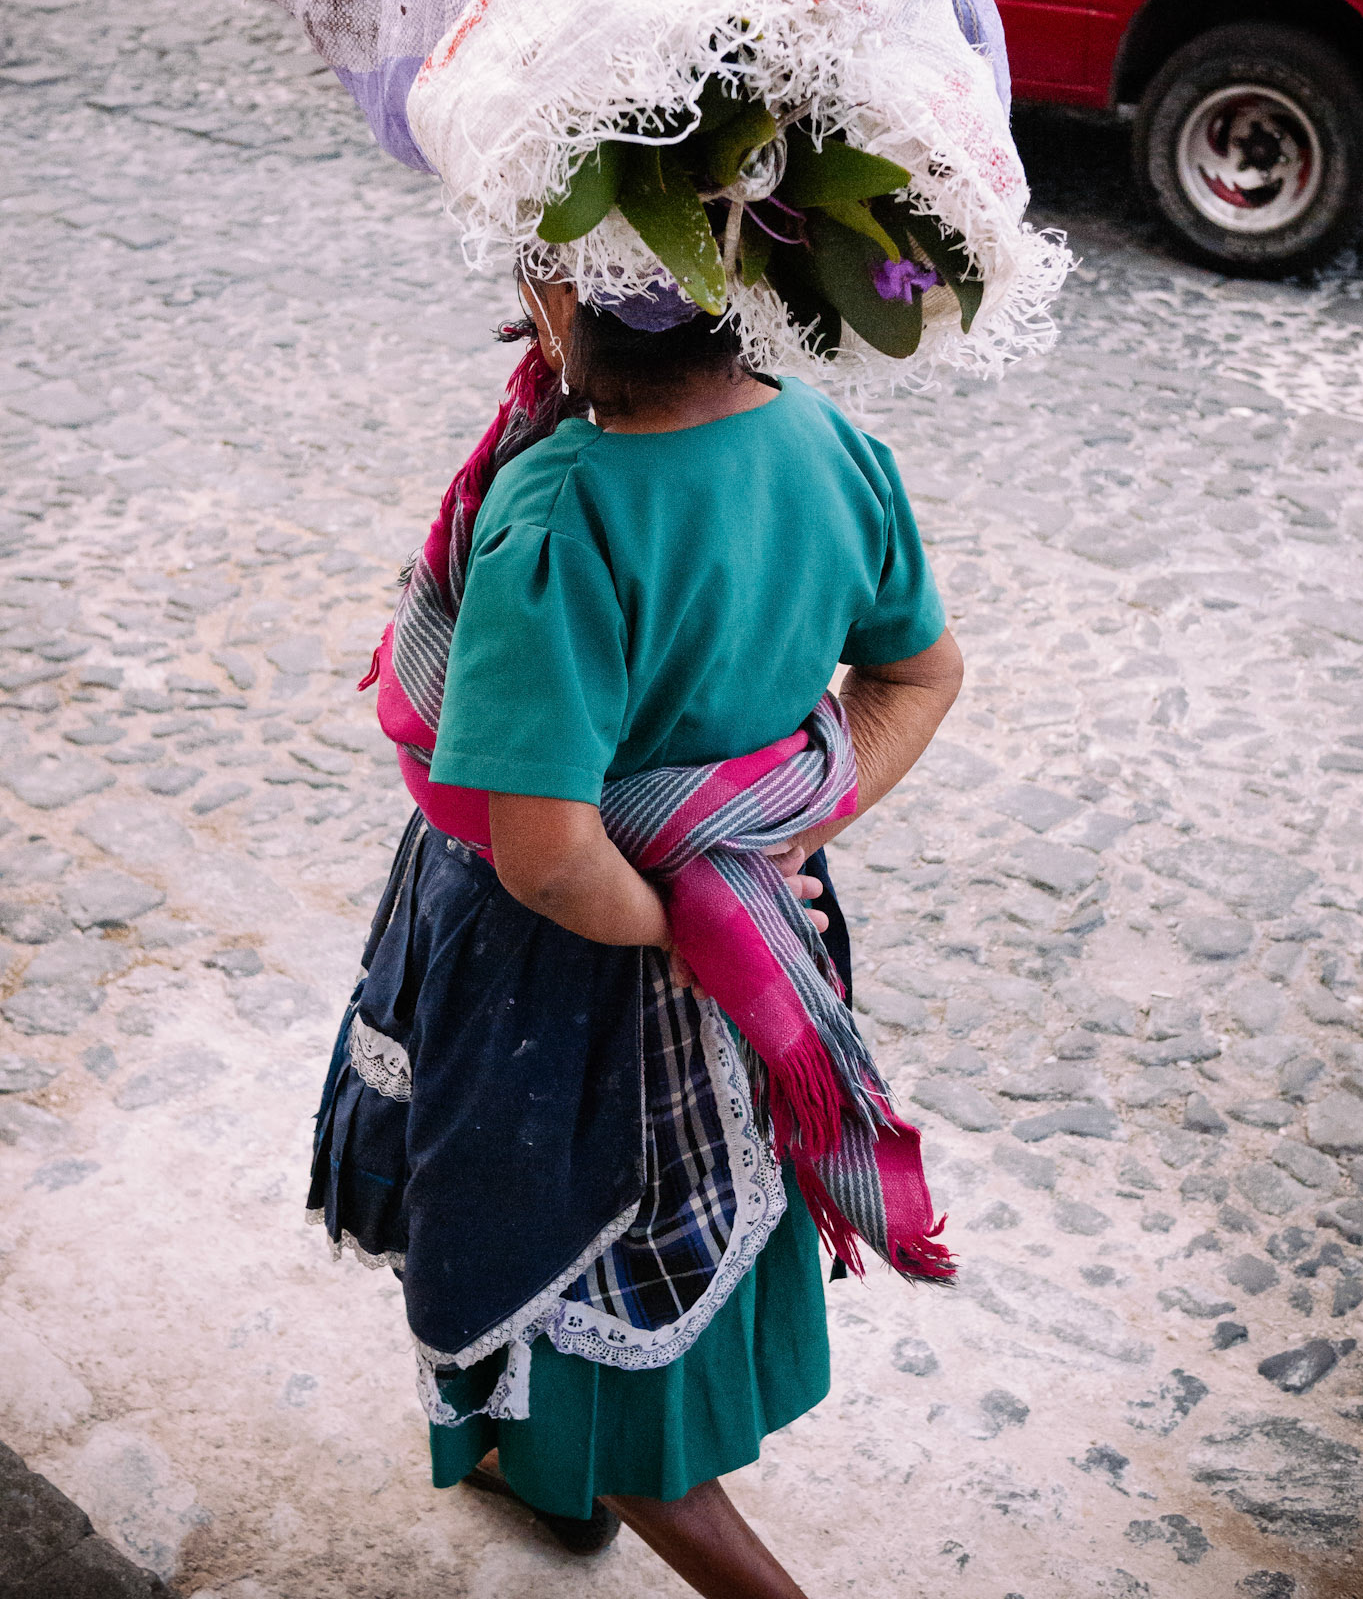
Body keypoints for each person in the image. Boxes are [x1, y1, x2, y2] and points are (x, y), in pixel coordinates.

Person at [321, 271, 960, 1599]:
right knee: (678, 1226)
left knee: (569, 1255)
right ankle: (531, 1467)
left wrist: (681, 925)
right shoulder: (828, 444)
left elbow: (546, 853)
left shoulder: (558, 515)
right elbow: (918, 671)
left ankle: (678, 1527)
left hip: (562, 973)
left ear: (554, 299)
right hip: (748, 943)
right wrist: (766, 847)